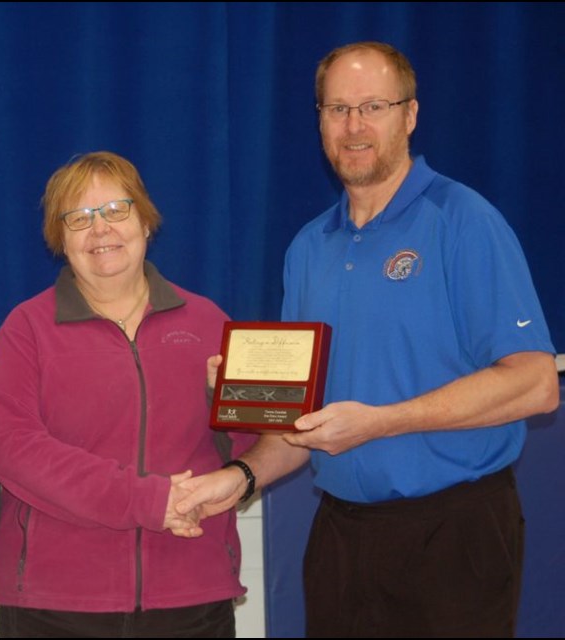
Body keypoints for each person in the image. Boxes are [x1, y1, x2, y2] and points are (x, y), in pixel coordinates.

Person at [177, 41, 559, 637]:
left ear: (409, 115)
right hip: (341, 536)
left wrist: (382, 421)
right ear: (321, 121)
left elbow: (535, 385)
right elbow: (302, 430)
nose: (354, 126)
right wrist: (241, 467)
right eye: (336, 110)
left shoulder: (463, 220)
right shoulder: (308, 249)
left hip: (455, 534)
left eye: (372, 106)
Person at [0, 151, 257, 638]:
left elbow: (247, 454)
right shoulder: (26, 330)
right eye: (79, 218)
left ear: (146, 222)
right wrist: (149, 500)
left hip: (192, 594)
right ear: (59, 239)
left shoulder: (209, 322)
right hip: (57, 605)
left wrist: (231, 412)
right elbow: (15, 451)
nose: (100, 229)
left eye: (116, 210)